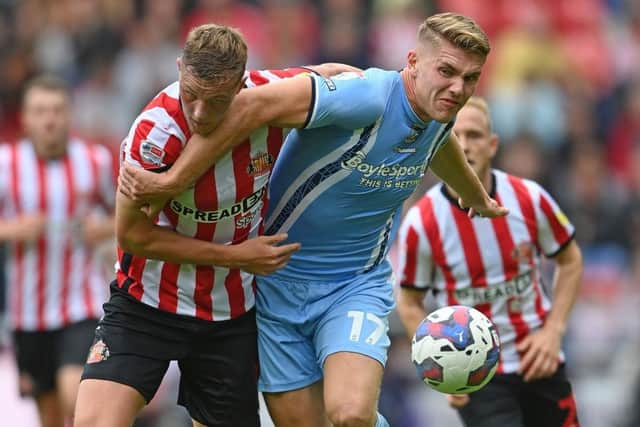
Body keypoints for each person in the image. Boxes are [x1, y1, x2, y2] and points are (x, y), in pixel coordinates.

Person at [118, 13, 508, 427]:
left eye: (470, 79)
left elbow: (440, 141)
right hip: (276, 284)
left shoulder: (437, 110)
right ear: (412, 61)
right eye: (447, 71)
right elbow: (250, 104)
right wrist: (173, 180)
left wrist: (475, 196)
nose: (458, 89)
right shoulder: (368, 97)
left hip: (354, 285)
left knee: (350, 414)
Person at [74, 23, 358, 427]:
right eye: (191, 95)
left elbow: (340, 76)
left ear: (242, 85)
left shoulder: (270, 96)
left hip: (230, 313)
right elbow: (132, 235)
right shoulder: (154, 135)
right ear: (179, 68)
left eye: (218, 100)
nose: (201, 112)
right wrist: (235, 257)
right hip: (148, 302)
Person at [395, 96, 582, 427]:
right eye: (454, 135)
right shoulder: (421, 222)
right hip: (477, 371)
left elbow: (570, 259)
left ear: (492, 144)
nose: (465, 145)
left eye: (475, 135)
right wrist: (436, 362)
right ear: (438, 145)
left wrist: (554, 330)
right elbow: (409, 301)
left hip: (539, 358)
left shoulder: (529, 198)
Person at [0, 75, 116, 427]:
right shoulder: (5, 164)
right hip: (27, 314)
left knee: (75, 395)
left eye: (56, 110)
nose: (49, 119)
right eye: (40, 111)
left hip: (80, 305)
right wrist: (11, 231)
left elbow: (125, 214)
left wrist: (104, 228)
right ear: (25, 118)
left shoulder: (95, 161)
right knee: (49, 415)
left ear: (69, 115)